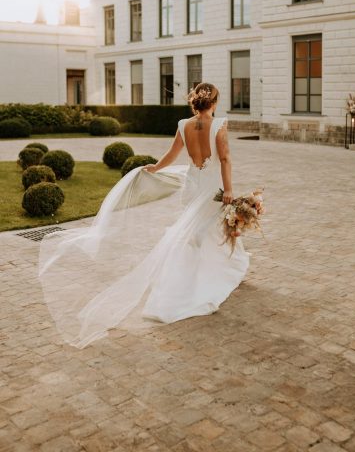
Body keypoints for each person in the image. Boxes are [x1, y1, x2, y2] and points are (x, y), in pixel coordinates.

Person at [38, 83, 250, 348]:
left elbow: (173, 154)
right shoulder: (220, 125)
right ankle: (204, 279)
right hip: (210, 187)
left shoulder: (184, 123)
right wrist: (229, 188)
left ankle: (216, 267)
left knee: (199, 233)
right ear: (215, 102)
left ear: (195, 102)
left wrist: (155, 167)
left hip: (191, 184)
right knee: (208, 231)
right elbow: (226, 158)